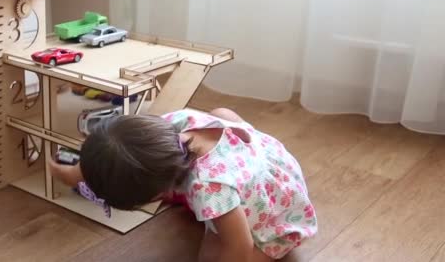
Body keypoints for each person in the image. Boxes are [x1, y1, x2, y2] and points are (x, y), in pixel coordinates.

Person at [49, 108, 318, 261]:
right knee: (221, 112)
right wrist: (77, 172)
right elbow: (115, 153)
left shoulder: (209, 188)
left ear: (156, 193)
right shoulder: (175, 122)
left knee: (213, 255)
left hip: (278, 212)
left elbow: (240, 247)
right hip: (262, 155)